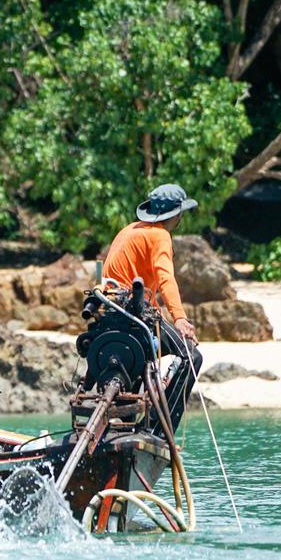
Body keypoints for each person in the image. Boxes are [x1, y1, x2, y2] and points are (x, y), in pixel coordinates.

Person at [100, 183, 203, 432]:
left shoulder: (129, 230)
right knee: (191, 357)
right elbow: (166, 277)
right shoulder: (160, 235)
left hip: (109, 312)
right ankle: (159, 429)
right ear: (176, 215)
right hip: (132, 314)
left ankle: (121, 427)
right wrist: (178, 318)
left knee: (135, 364)